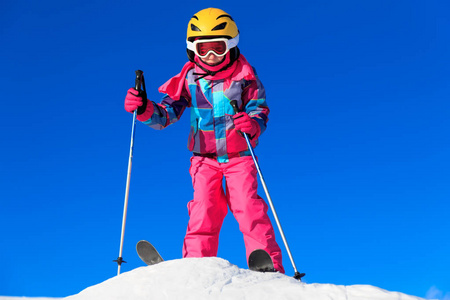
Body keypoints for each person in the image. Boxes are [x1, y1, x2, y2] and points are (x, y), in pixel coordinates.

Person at [124, 7, 284, 273]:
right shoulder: (188, 80)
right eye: (203, 49)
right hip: (204, 161)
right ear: (192, 50)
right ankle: (196, 268)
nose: (210, 56)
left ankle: (267, 266)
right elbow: (166, 114)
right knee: (203, 211)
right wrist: (144, 109)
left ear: (231, 46)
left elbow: (259, 109)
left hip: (239, 158)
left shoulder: (245, 77)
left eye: (217, 49)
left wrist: (253, 123)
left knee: (249, 207)